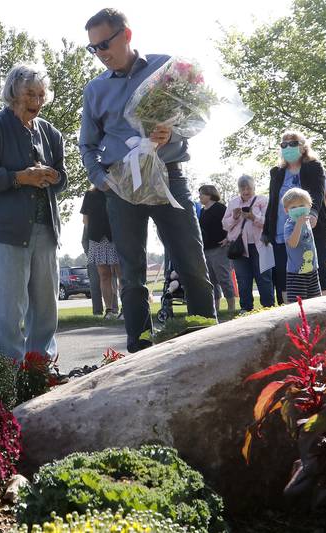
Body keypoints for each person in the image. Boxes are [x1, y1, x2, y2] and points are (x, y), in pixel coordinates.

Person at [79, 8, 216, 353]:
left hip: (170, 179)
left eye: (105, 44)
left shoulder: (166, 69)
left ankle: (211, 346)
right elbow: (87, 144)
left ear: (127, 34)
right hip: (121, 189)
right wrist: (103, 181)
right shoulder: (95, 90)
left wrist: (170, 135)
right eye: (93, 48)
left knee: (192, 265)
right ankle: (139, 352)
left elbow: (194, 120)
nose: (100, 53)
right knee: (132, 275)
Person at [0, 63, 67, 361]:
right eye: (30, 94)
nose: (36, 102)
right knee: (9, 308)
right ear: (13, 92)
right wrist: (20, 177)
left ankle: (41, 368)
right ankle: (10, 370)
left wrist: (52, 176)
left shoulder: (50, 133)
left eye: (41, 95)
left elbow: (62, 179)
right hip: (5, 231)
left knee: (46, 305)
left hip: (45, 229)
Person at [262, 130, 326, 304]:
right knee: (284, 274)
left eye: (293, 143)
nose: (288, 147)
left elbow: (318, 192)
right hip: (282, 230)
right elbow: (273, 201)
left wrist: (313, 213)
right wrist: (266, 230)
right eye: (284, 144)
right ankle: (289, 319)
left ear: (303, 146)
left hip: (310, 228)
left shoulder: (314, 167)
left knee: (316, 269)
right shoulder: (276, 172)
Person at [222, 175, 274, 311]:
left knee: (264, 277)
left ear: (254, 188)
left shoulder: (263, 200)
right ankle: (246, 308)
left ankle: (268, 307)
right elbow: (225, 225)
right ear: (239, 189)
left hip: (260, 245)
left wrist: (253, 217)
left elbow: (269, 223)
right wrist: (234, 217)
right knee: (243, 279)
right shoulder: (233, 203)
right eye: (243, 188)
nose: (246, 191)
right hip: (239, 248)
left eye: (249, 188)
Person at [81, 186, 122, 319]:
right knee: (104, 275)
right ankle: (109, 311)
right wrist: (94, 232)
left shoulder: (117, 190)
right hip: (97, 239)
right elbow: (85, 219)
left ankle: (126, 308)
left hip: (115, 237)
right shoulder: (89, 194)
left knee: (121, 274)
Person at [198, 185, 235, 313]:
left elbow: (231, 224)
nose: (200, 196)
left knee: (223, 278)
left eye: (202, 194)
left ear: (209, 194)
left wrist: (227, 238)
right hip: (206, 250)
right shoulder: (202, 211)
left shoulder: (220, 208)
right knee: (211, 281)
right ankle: (216, 308)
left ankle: (231, 308)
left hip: (220, 248)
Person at [282, 188, 321, 301]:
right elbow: (292, 244)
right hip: (296, 274)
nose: (298, 210)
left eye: (301, 206)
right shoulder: (289, 225)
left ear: (309, 206)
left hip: (312, 271)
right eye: (293, 208)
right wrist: (298, 224)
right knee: (298, 306)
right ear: (286, 210)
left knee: (315, 303)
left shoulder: (307, 222)